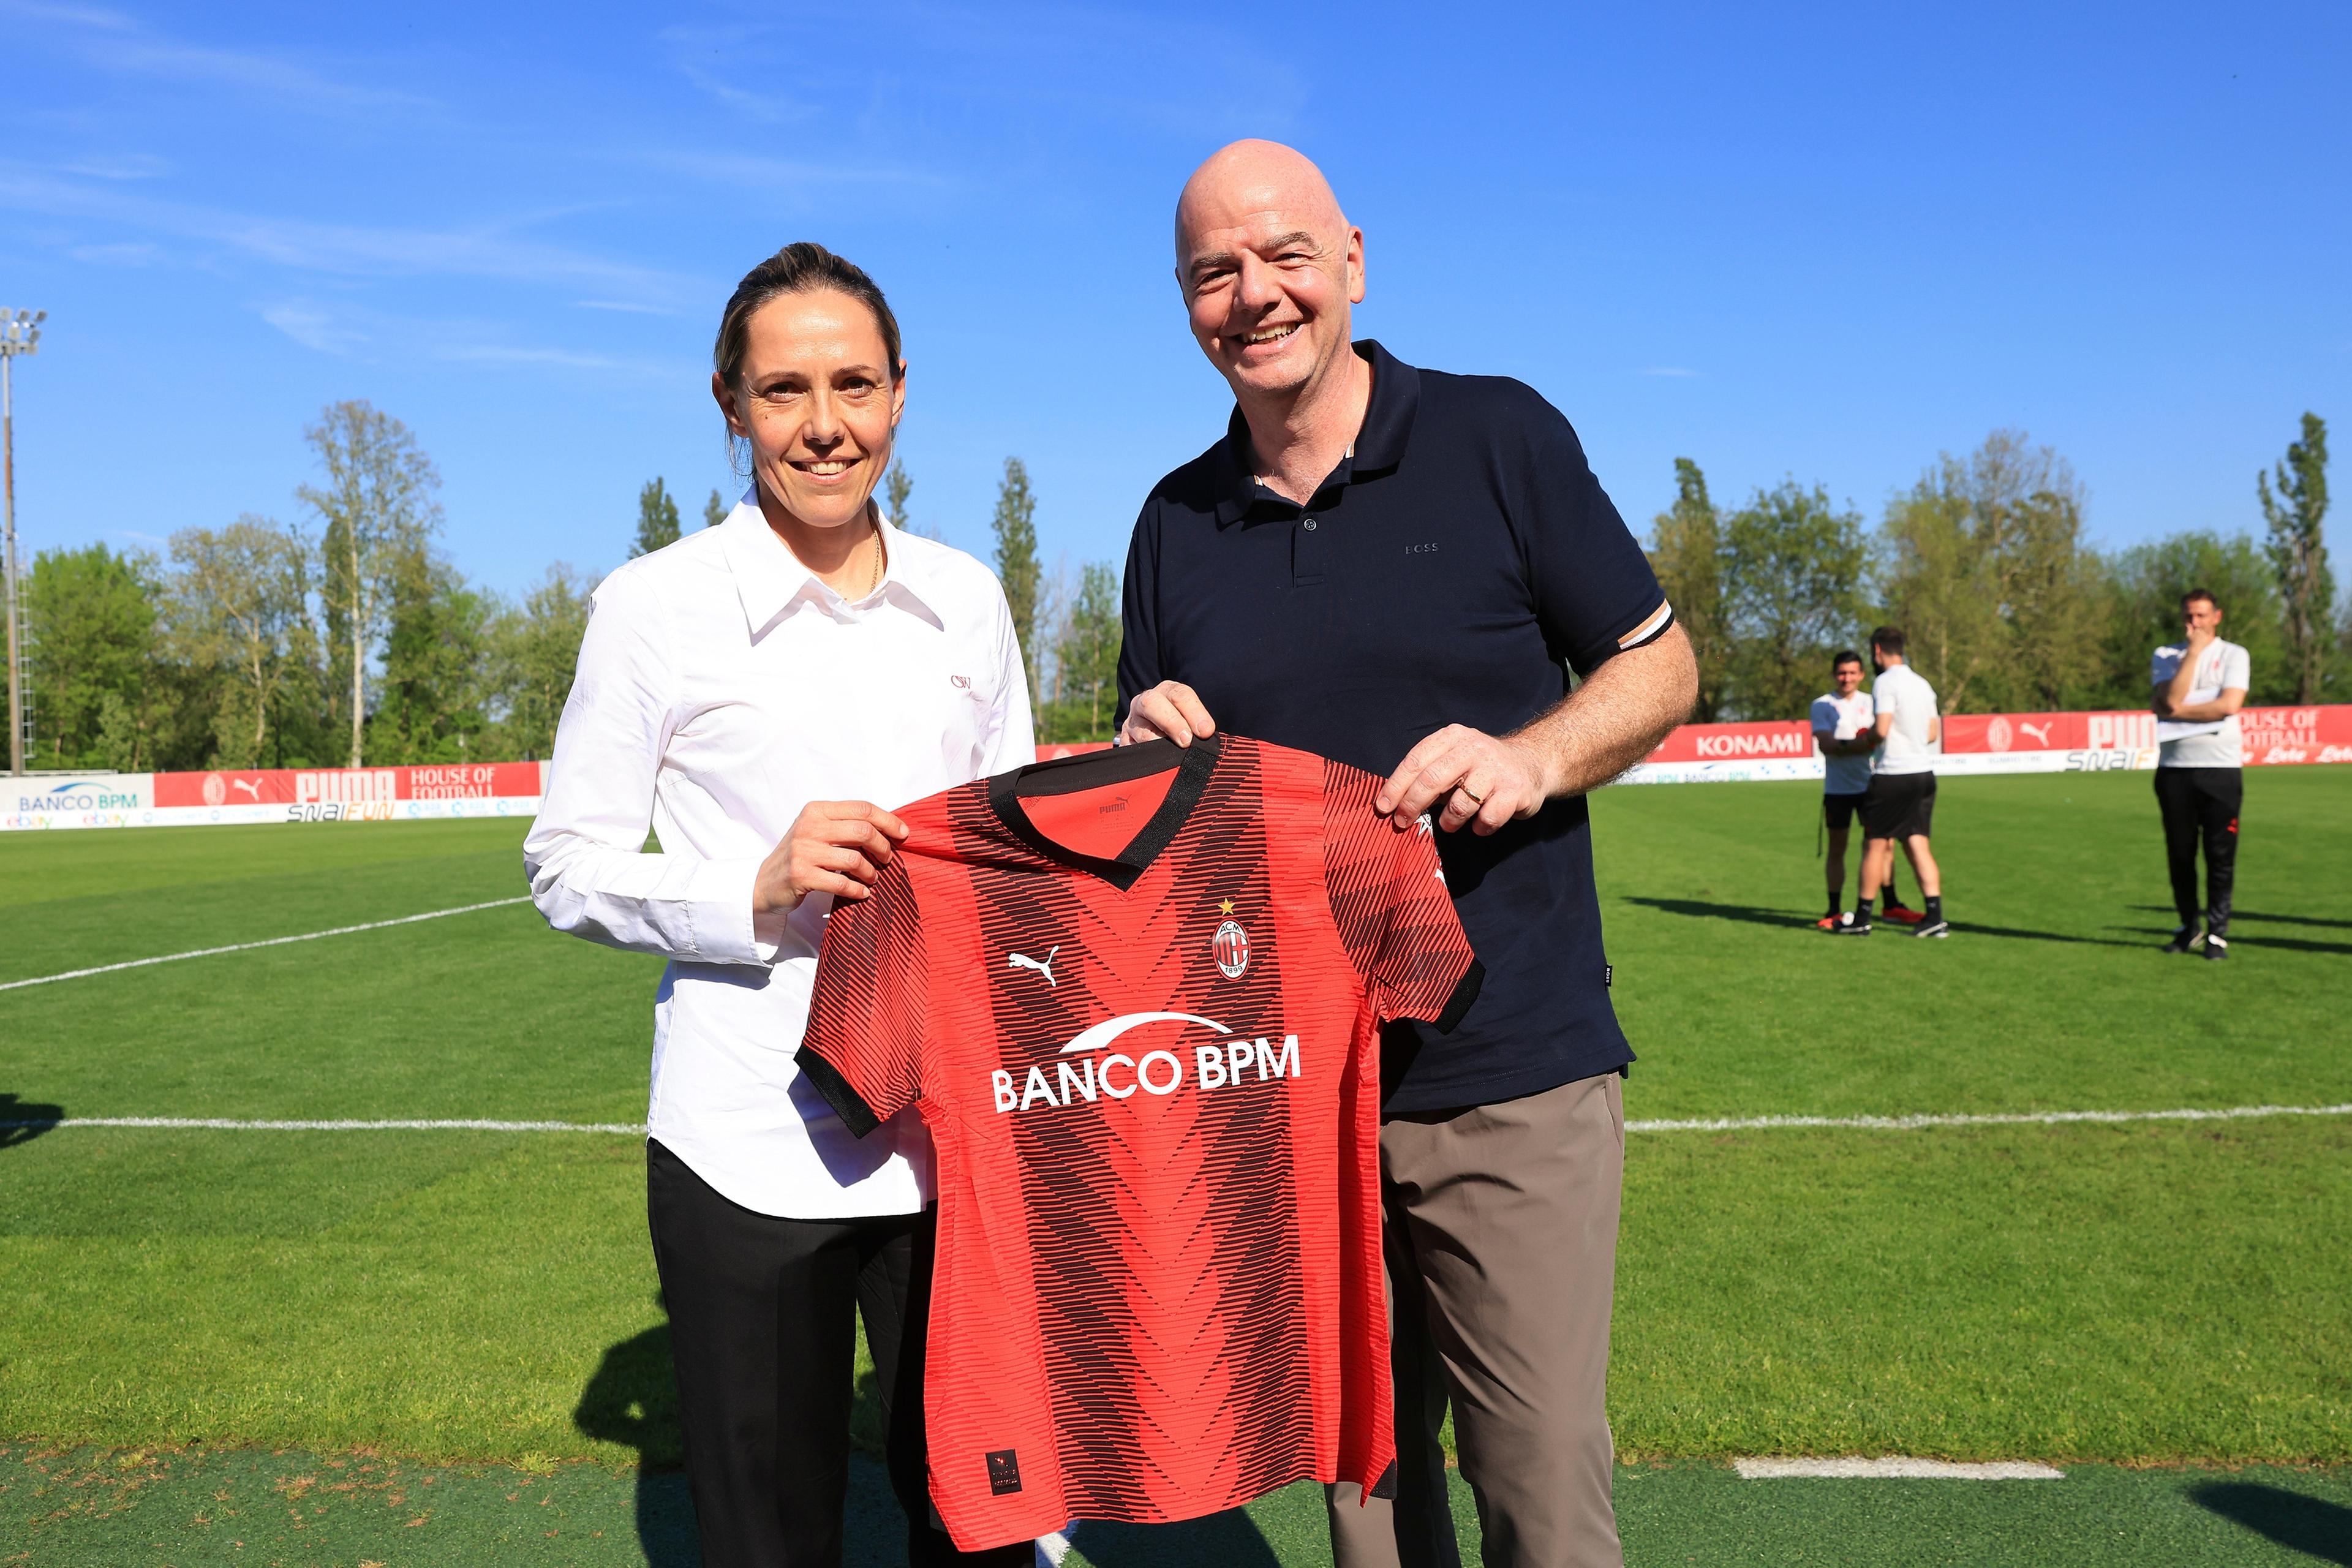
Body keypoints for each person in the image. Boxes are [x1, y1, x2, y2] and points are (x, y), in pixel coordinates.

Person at [1118, 140, 1697, 1568]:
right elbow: (1152, 828)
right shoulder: (1170, 521)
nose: (1253, 295)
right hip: (1291, 1086)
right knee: (1364, 1498)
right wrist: (1140, 748)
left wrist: (1533, 754)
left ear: (1353, 260)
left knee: (1540, 1488)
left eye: (1284, 255)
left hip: (1508, 1065)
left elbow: (1660, 662)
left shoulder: (1496, 437)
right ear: (1184, 302)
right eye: (1214, 271)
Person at [524, 243, 1036, 1568]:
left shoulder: (968, 599)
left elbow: (1017, 856)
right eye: (785, 390)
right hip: (745, 1138)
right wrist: (746, 890)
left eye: (855, 384)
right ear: (730, 404)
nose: (825, 424)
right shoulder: (651, 607)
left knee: (988, 1517)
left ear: (902, 394)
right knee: (770, 1537)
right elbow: (566, 861)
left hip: (949, 1139)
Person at [2150, 587, 2250, 959]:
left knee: (2220, 854)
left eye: (2202, 616)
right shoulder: (2166, 655)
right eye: (2189, 616)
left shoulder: (2234, 654)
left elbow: (2229, 705)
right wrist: (2192, 656)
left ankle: (2218, 933)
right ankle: (2189, 927)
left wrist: (2174, 710)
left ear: (2217, 617)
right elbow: (2172, 698)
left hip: (2221, 770)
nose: (2195, 624)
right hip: (2174, 770)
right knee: (2180, 853)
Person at [1833, 626, 1947, 938]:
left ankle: (1862, 918)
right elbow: (1933, 733)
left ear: (1878, 650)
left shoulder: (1885, 682)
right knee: (1918, 843)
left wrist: (1863, 739)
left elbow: (1881, 729)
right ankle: (1935, 916)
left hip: (1893, 774)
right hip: (1923, 773)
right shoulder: (1923, 685)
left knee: (1875, 846)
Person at [1811, 649, 1918, 929]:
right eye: (1842, 673)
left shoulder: (1873, 702)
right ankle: (1833, 909)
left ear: (1861, 675)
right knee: (1838, 849)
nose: (1847, 678)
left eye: (1852, 673)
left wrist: (1849, 745)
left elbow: (1876, 741)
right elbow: (1827, 746)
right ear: (1835, 674)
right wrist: (1862, 743)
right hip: (1837, 790)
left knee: (1884, 848)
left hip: (1872, 786)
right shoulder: (1821, 705)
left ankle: (1891, 904)